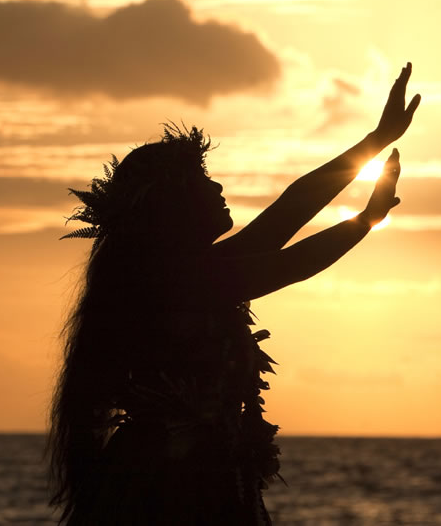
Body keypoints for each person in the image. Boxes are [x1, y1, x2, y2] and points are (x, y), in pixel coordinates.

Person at [48, 63, 421, 525]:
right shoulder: (179, 280)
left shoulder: (189, 272)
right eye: (203, 181)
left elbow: (288, 211)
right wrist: (365, 219)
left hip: (190, 469)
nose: (218, 186)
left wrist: (376, 140)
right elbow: (291, 263)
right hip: (177, 483)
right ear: (175, 208)